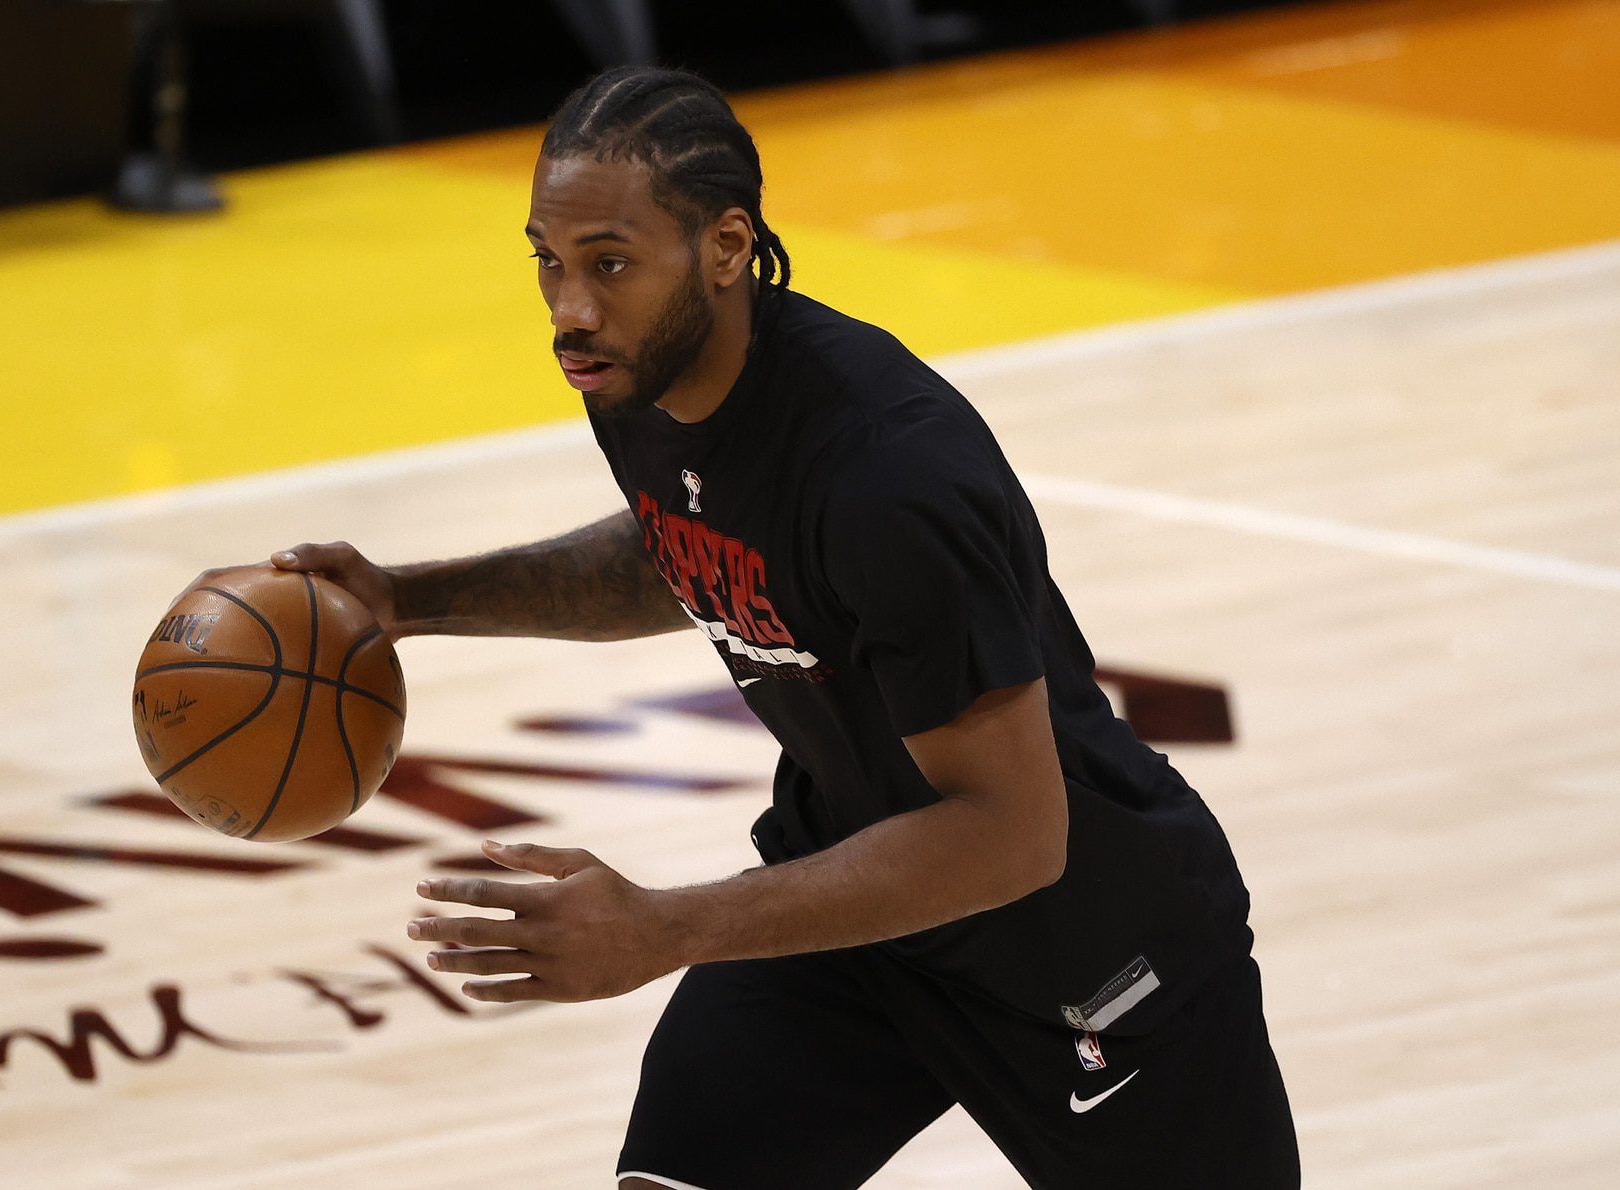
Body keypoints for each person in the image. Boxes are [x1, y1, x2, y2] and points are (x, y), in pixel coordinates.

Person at [258, 67, 1299, 1189]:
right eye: (549, 263)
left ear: (725, 246)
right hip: (852, 898)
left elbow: (1011, 832)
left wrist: (661, 926)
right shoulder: (640, 384)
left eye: (609, 263)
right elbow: (691, 550)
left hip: (1081, 947)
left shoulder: (888, 472)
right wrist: (410, 600)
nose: (570, 309)